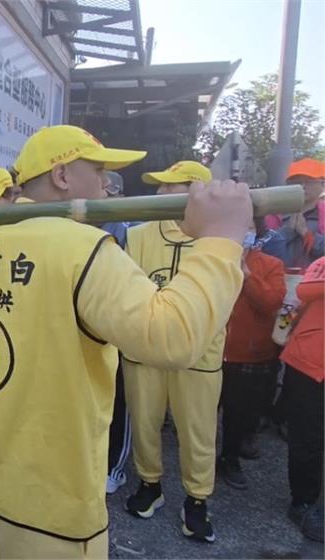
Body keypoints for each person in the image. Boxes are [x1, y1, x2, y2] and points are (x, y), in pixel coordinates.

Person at [0, 125, 249, 558]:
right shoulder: (85, 247)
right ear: (62, 176)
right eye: (98, 169)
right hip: (48, 497)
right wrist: (220, 242)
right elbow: (172, 338)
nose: (106, 183)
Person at [121, 160, 224, 542]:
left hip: (200, 353)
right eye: (160, 187)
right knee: (145, 421)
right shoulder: (139, 234)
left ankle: (197, 500)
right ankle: (150, 485)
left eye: (170, 187)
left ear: (196, 193)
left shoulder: (219, 237)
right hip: (145, 347)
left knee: (197, 429)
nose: (161, 194)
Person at [218, 219, 286, 490]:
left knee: (239, 415)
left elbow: (272, 302)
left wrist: (247, 275)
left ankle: (230, 458)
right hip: (212, 352)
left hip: (250, 356)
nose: (242, 233)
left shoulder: (271, 265)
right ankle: (201, 461)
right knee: (204, 414)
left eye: (248, 227)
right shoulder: (214, 260)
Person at [278, 256, 324, 542]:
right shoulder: (322, 263)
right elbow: (304, 291)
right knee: (307, 440)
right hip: (309, 364)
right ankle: (302, 502)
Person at [100, 169, 133, 496]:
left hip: (117, 329)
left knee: (120, 400)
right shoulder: (78, 223)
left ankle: (114, 467)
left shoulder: (130, 229)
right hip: (85, 328)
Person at [263, 158, 324, 270]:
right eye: (296, 182)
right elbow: (263, 249)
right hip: (279, 279)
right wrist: (288, 231)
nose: (302, 186)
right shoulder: (274, 213)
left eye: (309, 181)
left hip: (315, 282)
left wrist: (306, 233)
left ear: (322, 184)